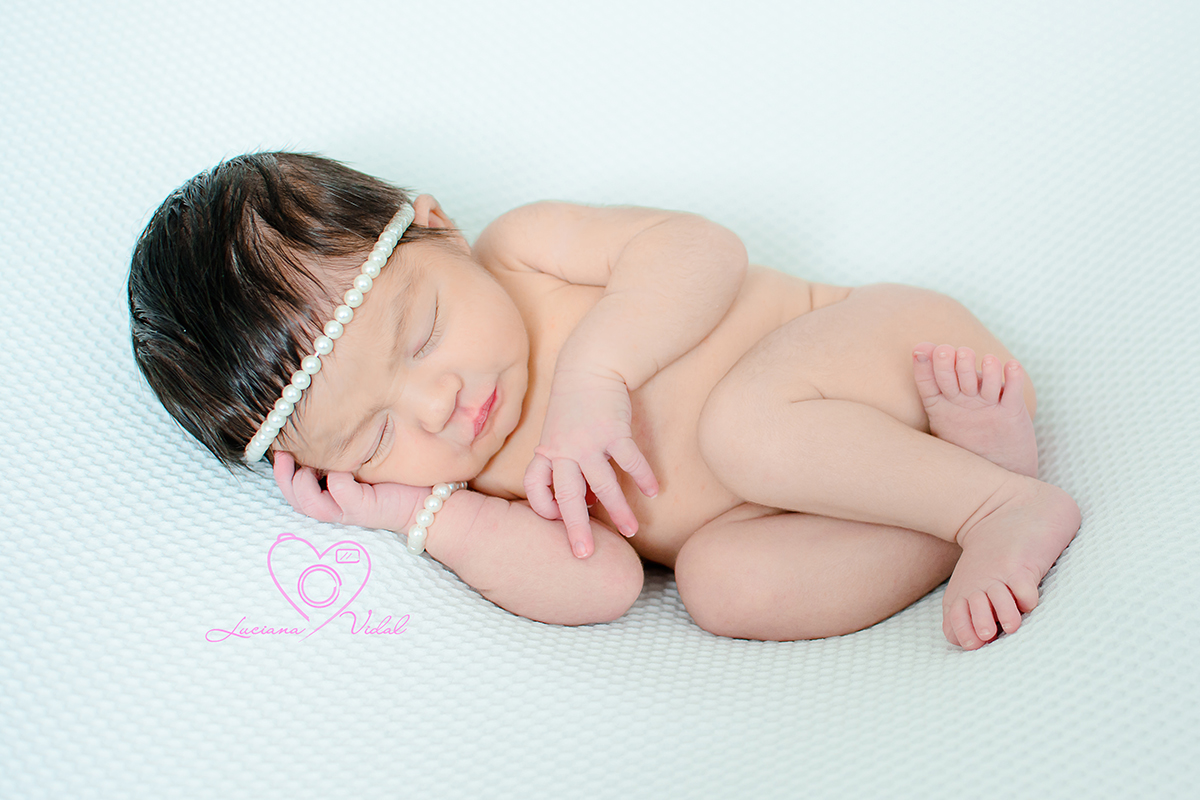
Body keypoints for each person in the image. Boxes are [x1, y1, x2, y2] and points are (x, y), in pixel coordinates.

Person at [128, 151, 1080, 650]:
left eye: (420, 333)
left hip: (891, 357)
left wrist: (598, 377)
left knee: (744, 428)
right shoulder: (472, 481)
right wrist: (419, 512)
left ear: (434, 224)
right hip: (829, 502)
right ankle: (965, 498)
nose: (438, 405)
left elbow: (703, 249)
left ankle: (996, 503)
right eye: (375, 438)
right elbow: (605, 585)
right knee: (719, 588)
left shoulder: (524, 247)